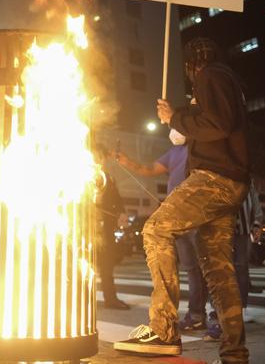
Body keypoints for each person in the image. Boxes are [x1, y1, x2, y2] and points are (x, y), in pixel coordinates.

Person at [114, 37, 250, 364]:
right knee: (218, 271)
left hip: (215, 179)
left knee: (156, 229)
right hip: (231, 183)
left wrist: (176, 117)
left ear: (191, 64)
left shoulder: (211, 76)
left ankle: (164, 330)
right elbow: (215, 122)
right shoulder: (227, 81)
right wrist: (178, 117)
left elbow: (217, 124)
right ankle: (234, 353)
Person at [116, 128, 210, 331]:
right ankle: (194, 315)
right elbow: (149, 169)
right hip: (174, 215)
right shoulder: (173, 153)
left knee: (204, 267)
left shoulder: (198, 148)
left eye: (176, 125)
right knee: (190, 267)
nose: (174, 131)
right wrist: (127, 162)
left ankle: (207, 316)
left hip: (193, 212)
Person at [205, 181, 264, 339]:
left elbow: (254, 201)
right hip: (220, 229)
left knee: (241, 269)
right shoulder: (215, 175)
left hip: (242, 230)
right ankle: (217, 311)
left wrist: (257, 224)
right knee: (218, 269)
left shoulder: (246, 179)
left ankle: (239, 311)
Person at [93, 147, 130, 310]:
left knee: (107, 265)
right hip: (86, 228)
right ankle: (81, 300)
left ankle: (111, 298)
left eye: (101, 157)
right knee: (82, 265)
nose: (99, 160)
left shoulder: (109, 178)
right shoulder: (81, 175)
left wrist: (122, 212)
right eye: (96, 156)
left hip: (106, 227)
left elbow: (117, 199)